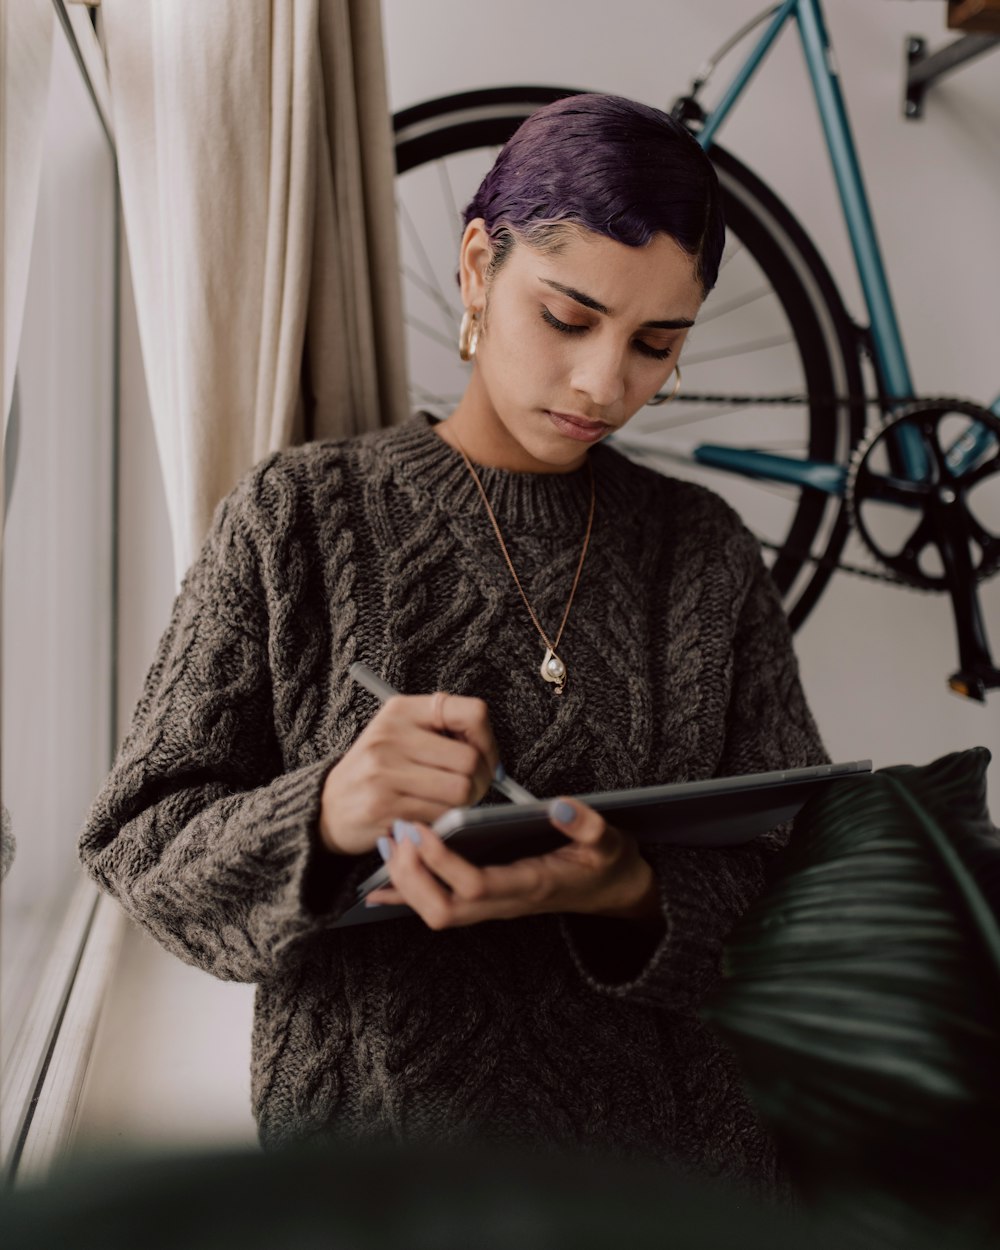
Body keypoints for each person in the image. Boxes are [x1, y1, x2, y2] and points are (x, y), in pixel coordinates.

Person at [79, 93, 826, 1193]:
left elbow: (803, 891)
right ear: (477, 267)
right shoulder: (297, 518)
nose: (603, 384)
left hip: (676, 1184)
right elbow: (142, 857)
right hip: (378, 1186)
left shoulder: (703, 550)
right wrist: (327, 810)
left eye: (655, 343)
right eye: (567, 318)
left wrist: (625, 892)